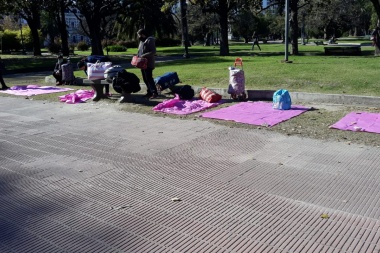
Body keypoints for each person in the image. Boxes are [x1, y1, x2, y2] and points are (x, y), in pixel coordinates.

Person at [137, 28, 158, 99]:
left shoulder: (150, 40)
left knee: (149, 78)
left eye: (139, 35)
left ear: (142, 34)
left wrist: (144, 55)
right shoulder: (142, 41)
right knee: (145, 78)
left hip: (148, 63)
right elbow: (140, 50)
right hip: (142, 63)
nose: (138, 37)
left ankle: (154, 92)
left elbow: (153, 51)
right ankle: (149, 92)